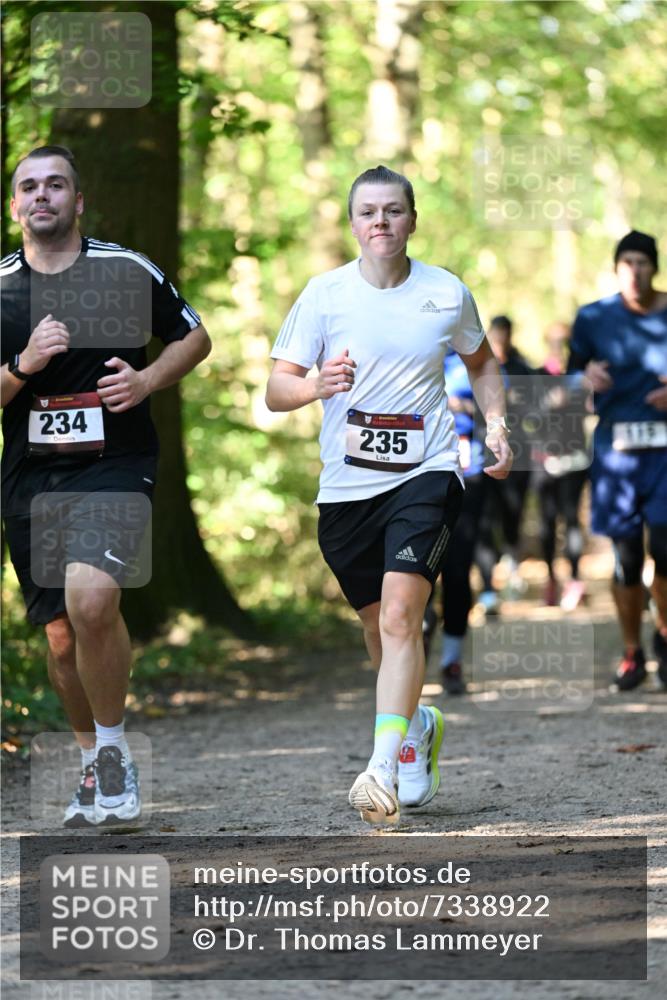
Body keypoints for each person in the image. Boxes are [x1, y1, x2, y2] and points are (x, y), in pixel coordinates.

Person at [266, 165, 512, 826]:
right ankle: (413, 729)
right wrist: (316, 386)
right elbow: (275, 388)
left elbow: (481, 363)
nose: (380, 222)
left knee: (404, 615)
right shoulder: (323, 296)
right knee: (379, 628)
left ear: (412, 219)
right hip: (346, 490)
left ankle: (378, 766)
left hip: (426, 474)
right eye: (368, 211)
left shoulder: (445, 292)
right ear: (352, 223)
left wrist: (493, 425)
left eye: (393, 210)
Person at [1, 145, 211, 825]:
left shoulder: (123, 268)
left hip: (115, 464)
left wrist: (147, 380)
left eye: (55, 184)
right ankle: (95, 766)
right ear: (14, 207)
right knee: (61, 634)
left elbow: (195, 338)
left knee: (91, 601)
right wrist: (23, 365)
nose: (42, 196)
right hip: (31, 476)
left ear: (78, 200)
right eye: (29, 187)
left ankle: (116, 756)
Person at [569, 230, 667, 690]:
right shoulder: (593, 318)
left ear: (655, 266)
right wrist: (583, 376)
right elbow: (568, 380)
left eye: (643, 261)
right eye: (626, 261)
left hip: (665, 454)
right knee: (627, 559)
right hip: (617, 455)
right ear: (616, 267)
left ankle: (664, 636)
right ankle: (633, 651)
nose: (635, 269)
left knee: (665, 552)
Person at [422, 349, 490, 695]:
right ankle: (415, 644)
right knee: (414, 571)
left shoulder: (473, 355)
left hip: (467, 476)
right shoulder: (406, 341)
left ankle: (451, 660)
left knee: (457, 570)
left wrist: (464, 407)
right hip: (415, 477)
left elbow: (504, 404)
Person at [475, 315, 534, 610]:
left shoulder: (521, 367)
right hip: (479, 455)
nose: (501, 340)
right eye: (495, 335)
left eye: (505, 335)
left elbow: (536, 408)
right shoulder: (471, 366)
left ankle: (511, 565)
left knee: (512, 516)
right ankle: (487, 588)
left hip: (517, 455)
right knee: (485, 521)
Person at [533, 322, 589, 609]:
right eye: (555, 342)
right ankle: (551, 579)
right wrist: (547, 404)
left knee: (571, 520)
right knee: (547, 522)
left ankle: (576, 580)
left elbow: (592, 407)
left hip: (575, 459)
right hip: (544, 461)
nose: (560, 348)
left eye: (564, 343)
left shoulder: (579, 378)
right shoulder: (536, 376)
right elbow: (524, 415)